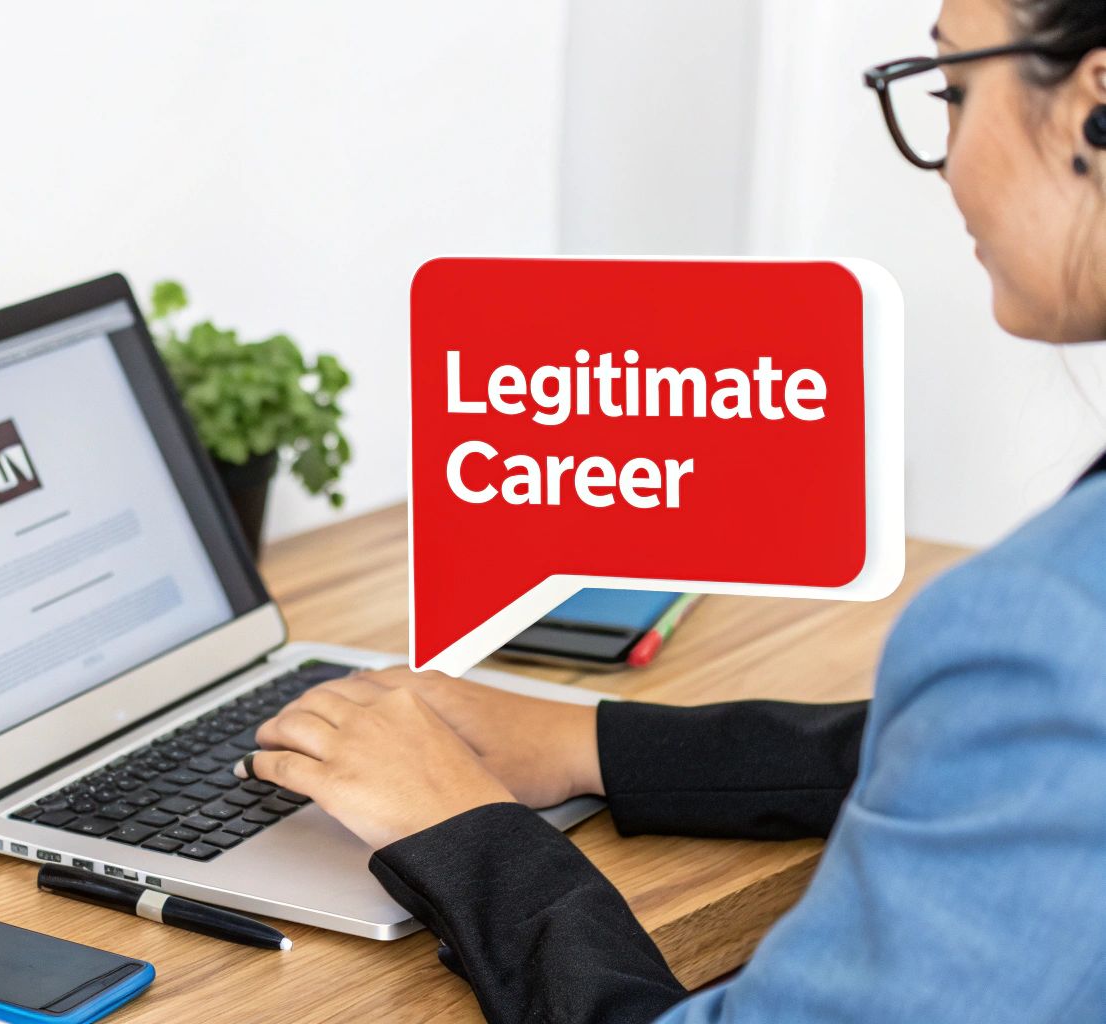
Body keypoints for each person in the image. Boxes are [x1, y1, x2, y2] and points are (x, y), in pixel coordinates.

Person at [238, 1, 1106, 1019]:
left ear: (1093, 100)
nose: (948, 160)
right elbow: (1003, 759)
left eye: (952, 89)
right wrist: (590, 745)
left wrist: (459, 827)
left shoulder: (1044, 625)